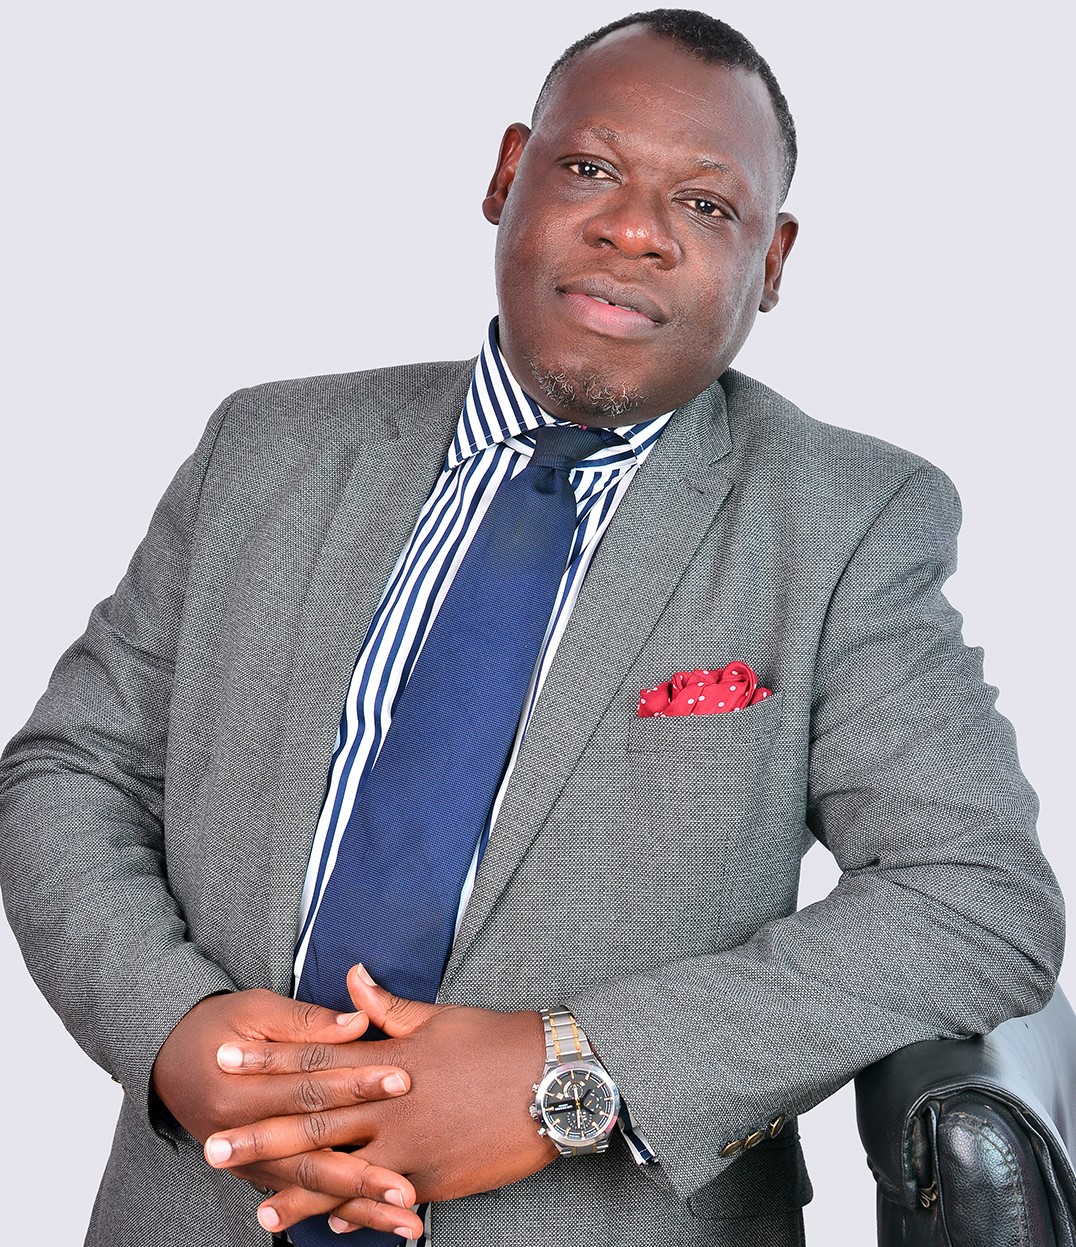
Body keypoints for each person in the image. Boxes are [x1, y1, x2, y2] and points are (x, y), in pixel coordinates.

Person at [0, 9, 1064, 1247]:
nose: (633, 229)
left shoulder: (843, 521)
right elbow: (68, 770)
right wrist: (173, 1027)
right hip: (197, 1209)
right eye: (590, 167)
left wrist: (568, 1073)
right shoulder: (266, 451)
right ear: (509, 174)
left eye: (705, 205)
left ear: (771, 261)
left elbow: (970, 898)